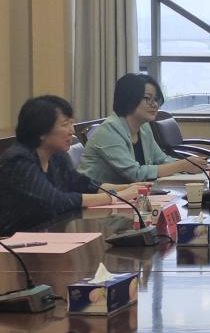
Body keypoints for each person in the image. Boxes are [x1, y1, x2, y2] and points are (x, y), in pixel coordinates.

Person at [0, 96, 146, 236]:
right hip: (14, 243)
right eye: (65, 124)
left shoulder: (56, 156)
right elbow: (56, 201)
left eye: (72, 123)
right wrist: (116, 197)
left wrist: (128, 187)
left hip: (51, 235)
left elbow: (82, 184)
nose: (72, 131)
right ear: (41, 131)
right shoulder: (18, 161)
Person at [78, 73, 205, 184]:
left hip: (127, 194)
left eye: (156, 99)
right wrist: (181, 165)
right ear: (129, 98)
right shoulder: (109, 130)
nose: (155, 105)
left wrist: (191, 164)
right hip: (95, 198)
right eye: (147, 98)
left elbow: (161, 159)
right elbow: (135, 174)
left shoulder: (144, 127)